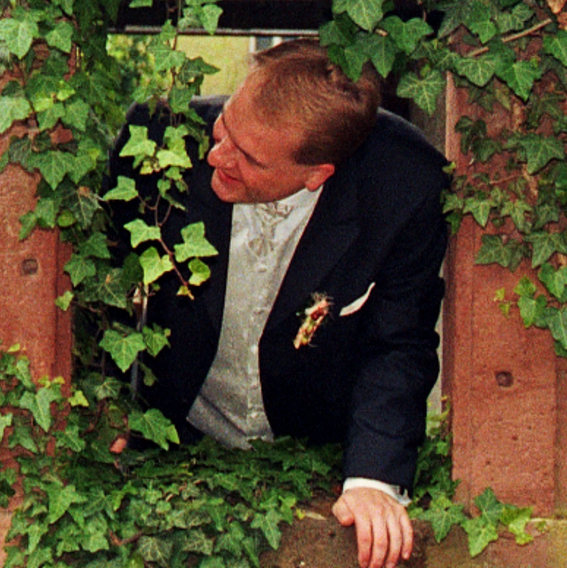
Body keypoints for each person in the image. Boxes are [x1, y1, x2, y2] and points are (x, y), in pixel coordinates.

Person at [108, 39, 447, 568]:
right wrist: (107, 411)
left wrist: (372, 480)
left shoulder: (405, 185)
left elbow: (400, 342)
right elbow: (99, 289)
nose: (217, 156)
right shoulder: (155, 140)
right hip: (172, 436)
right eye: (225, 129)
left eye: (249, 157)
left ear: (317, 175)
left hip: (314, 451)